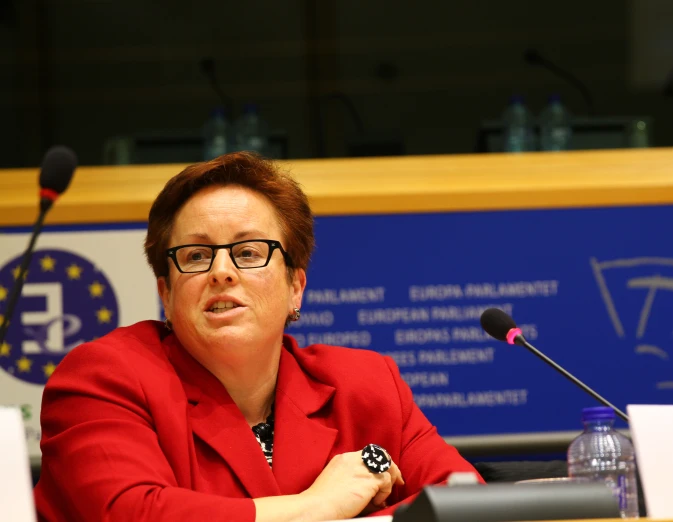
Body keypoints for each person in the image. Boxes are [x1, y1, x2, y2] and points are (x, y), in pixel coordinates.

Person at [33, 152, 482, 522]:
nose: (221, 271)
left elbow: (465, 505)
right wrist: (319, 507)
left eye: (248, 252)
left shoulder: (364, 384)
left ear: (295, 287)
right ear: (166, 294)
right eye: (196, 254)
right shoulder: (104, 379)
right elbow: (135, 515)